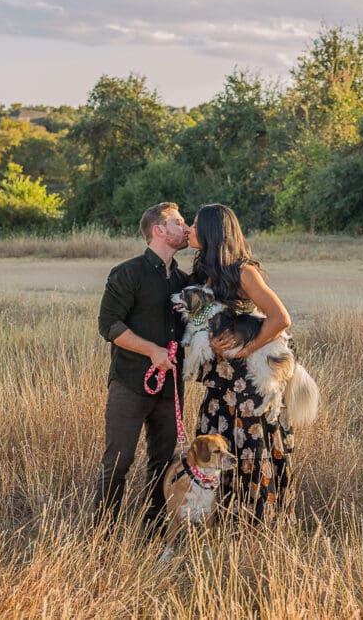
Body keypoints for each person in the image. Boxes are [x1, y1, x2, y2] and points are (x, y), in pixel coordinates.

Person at [188, 203, 296, 523]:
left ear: (211, 232)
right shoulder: (203, 271)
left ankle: (254, 525)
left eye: (195, 225)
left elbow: (280, 318)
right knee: (213, 449)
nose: (190, 230)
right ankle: (217, 521)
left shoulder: (243, 272)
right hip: (218, 383)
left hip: (245, 384)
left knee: (249, 450)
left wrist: (247, 348)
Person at [93, 202, 191, 529]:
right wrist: (152, 351)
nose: (186, 228)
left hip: (171, 388)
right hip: (130, 383)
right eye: (179, 222)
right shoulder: (127, 273)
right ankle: (102, 535)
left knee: (164, 464)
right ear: (159, 230)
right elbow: (109, 325)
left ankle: (154, 532)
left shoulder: (185, 282)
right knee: (118, 463)